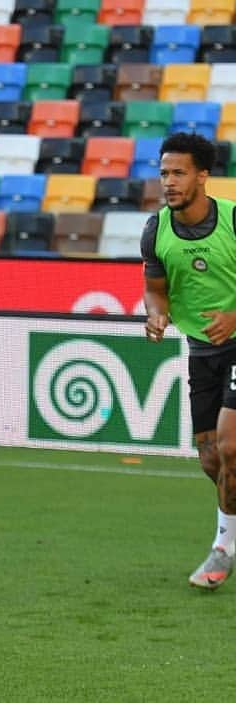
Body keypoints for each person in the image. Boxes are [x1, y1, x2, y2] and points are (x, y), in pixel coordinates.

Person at [142, 132, 236, 590]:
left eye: (179, 173)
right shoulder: (156, 229)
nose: (169, 182)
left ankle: (223, 549)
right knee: (211, 460)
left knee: (231, 443)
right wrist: (156, 314)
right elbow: (155, 289)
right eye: (164, 173)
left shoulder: (234, 222)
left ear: (203, 175)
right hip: (202, 350)